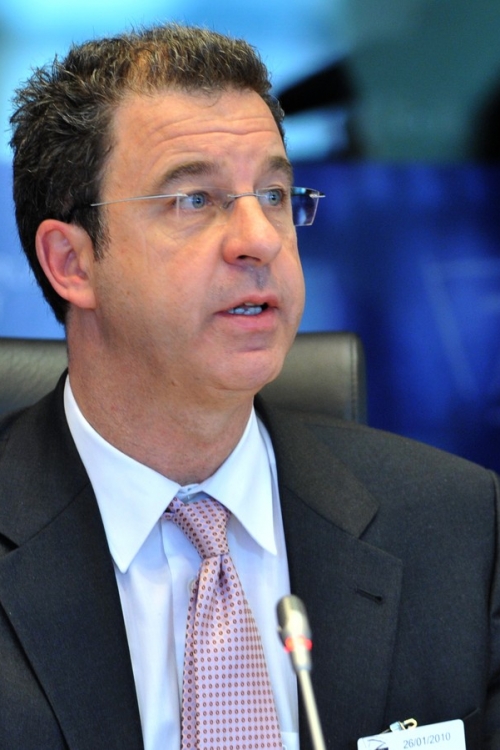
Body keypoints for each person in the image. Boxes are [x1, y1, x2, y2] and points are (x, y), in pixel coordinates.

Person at [1, 22, 499, 750]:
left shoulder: (455, 527)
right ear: (71, 263)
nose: (259, 239)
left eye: (273, 194)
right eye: (194, 200)